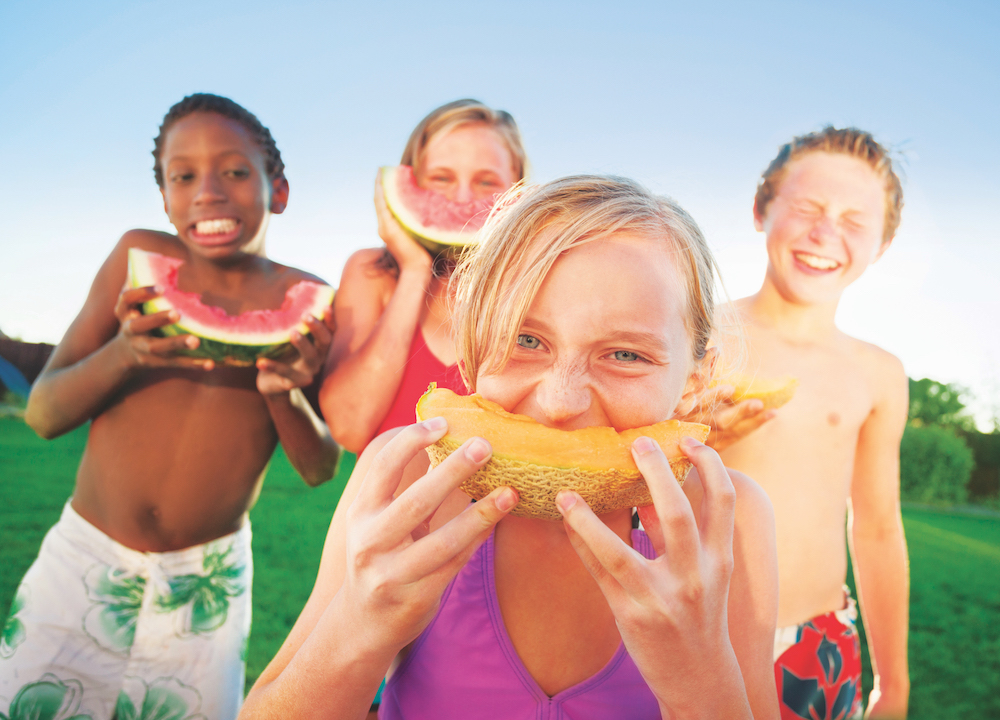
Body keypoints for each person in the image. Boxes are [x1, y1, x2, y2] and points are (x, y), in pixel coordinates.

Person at [241, 176, 781, 720]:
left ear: (694, 379)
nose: (561, 401)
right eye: (526, 341)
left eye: (625, 355)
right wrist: (358, 624)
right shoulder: (407, 480)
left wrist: (699, 678)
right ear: (473, 347)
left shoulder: (728, 522)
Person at [2, 94, 339, 720]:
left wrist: (282, 392)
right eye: (182, 176)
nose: (207, 191)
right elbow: (45, 414)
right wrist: (126, 355)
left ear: (279, 189)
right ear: (164, 198)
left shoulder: (310, 298)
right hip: (85, 557)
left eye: (235, 171)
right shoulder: (136, 261)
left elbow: (320, 466)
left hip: (207, 582)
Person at [695, 128, 910, 719]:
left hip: (820, 644)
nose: (825, 234)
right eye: (809, 209)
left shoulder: (879, 374)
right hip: (691, 636)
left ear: (882, 246)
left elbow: (877, 529)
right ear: (763, 208)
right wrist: (695, 436)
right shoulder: (694, 338)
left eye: (854, 221)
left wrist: (893, 683)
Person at [319, 99, 527, 457]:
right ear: (410, 182)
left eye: (486, 181)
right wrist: (414, 268)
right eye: (441, 178)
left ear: (517, 192)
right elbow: (350, 428)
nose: (462, 199)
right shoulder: (371, 274)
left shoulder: (537, 289)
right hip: (386, 513)